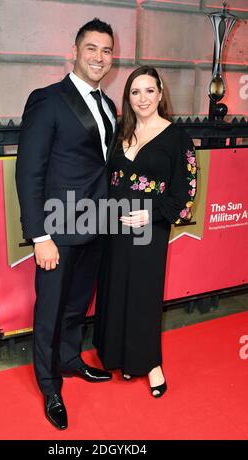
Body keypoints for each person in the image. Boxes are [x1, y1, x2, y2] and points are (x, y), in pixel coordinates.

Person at [16, 18, 117, 430]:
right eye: (91, 48)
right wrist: (40, 234)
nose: (99, 56)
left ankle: (71, 359)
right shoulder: (48, 99)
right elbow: (29, 172)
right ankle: (49, 383)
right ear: (74, 52)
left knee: (77, 303)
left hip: (97, 222)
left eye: (107, 50)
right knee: (51, 311)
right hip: (57, 228)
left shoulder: (108, 105)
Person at [94, 66, 196, 397]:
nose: (142, 98)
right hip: (114, 230)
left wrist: (149, 214)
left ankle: (150, 364)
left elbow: (185, 194)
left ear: (161, 93)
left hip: (149, 231)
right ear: (128, 98)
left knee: (143, 296)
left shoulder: (177, 137)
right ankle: (123, 359)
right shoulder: (119, 134)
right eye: (135, 92)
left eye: (149, 90)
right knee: (116, 290)